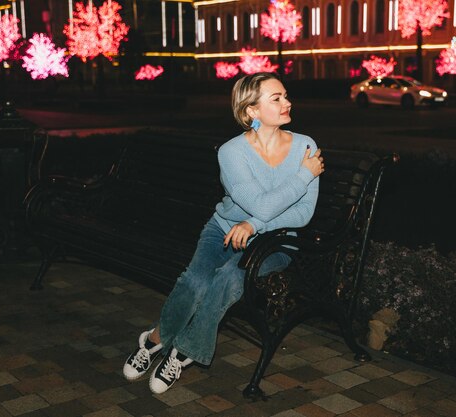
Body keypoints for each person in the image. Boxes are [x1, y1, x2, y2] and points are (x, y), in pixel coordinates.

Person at [122, 72, 324, 394]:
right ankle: (154, 341)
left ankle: (183, 351)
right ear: (252, 111)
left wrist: (255, 225)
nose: (288, 102)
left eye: (286, 95)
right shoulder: (231, 152)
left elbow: (302, 214)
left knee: (229, 278)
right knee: (195, 280)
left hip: (276, 243)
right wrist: (303, 176)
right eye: (277, 98)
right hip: (224, 230)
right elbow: (262, 203)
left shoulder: (305, 146)